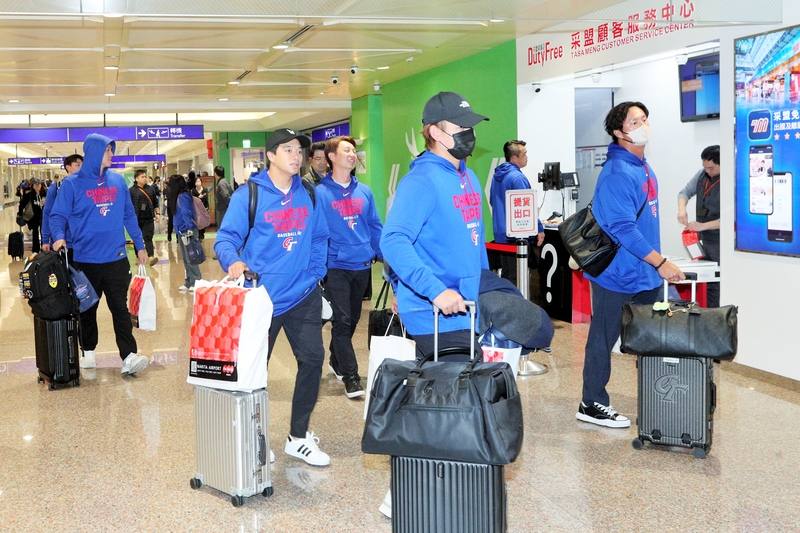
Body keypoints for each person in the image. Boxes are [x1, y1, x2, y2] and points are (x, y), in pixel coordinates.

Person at [215, 128, 331, 467]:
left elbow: (320, 237)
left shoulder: (310, 193)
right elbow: (225, 239)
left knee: (312, 361)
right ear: (270, 155)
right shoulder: (248, 195)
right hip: (260, 298)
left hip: (303, 295)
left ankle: (298, 437)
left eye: (299, 150)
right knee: (254, 373)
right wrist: (234, 261)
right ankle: (253, 438)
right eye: (288, 149)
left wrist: (315, 273)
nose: (296, 156)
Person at [577, 101, 685, 429]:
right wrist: (661, 261)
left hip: (645, 272)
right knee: (604, 336)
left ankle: (660, 397)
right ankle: (591, 402)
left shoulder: (643, 166)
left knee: (659, 335)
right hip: (616, 274)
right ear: (618, 132)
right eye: (635, 121)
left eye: (644, 119)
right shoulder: (617, 172)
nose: (643, 125)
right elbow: (622, 228)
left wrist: (657, 263)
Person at [381, 91, 490, 358]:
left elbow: (474, 241)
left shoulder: (469, 176)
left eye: (470, 126)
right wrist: (435, 290)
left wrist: (486, 289)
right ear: (436, 133)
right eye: (461, 126)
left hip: (469, 310)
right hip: (435, 316)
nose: (469, 132)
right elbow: (393, 240)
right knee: (455, 396)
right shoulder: (421, 181)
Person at [50, 133, 150, 375]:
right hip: (85, 261)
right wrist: (57, 236)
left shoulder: (117, 182)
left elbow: (128, 215)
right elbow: (57, 215)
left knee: (120, 309)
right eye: (107, 151)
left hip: (116, 259)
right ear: (94, 153)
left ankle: (128, 356)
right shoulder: (72, 185)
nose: (111, 155)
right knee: (87, 310)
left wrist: (140, 244)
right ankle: (89, 350)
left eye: (111, 150)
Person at [316, 136, 383, 399]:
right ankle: (352, 377)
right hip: (335, 266)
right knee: (342, 321)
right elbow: (317, 232)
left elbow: (375, 225)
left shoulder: (364, 191)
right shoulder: (320, 193)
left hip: (362, 264)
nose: (352, 154)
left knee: (353, 319)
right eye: (346, 150)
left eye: (354, 151)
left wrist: (382, 254)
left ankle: (335, 360)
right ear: (332, 157)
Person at [489, 139, 546, 284]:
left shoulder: (497, 177)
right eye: (524, 154)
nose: (527, 157)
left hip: (501, 235)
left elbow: (492, 201)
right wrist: (539, 228)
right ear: (514, 158)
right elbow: (528, 210)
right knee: (517, 278)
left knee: (508, 276)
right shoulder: (518, 178)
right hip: (516, 236)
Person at [678, 145, 721, 307]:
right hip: (703, 241)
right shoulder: (702, 175)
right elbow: (684, 193)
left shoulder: (732, 179)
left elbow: (731, 220)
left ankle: (716, 317)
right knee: (704, 281)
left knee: (717, 283)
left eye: (711, 168)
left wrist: (702, 226)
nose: (707, 171)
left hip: (720, 244)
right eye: (705, 167)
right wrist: (682, 209)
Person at [42, 154, 83, 253]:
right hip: (64, 243)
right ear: (68, 167)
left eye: (83, 165)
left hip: (84, 242)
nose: (82, 168)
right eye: (78, 165)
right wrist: (45, 240)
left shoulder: (85, 188)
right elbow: (47, 213)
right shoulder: (56, 188)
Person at [174, 176, 202, 292]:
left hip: (187, 230)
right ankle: (189, 281)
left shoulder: (183, 196)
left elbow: (186, 213)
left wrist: (188, 229)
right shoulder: (178, 196)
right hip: (182, 230)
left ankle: (196, 281)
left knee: (191, 257)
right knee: (186, 258)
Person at [130, 169, 159, 266]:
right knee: (137, 238)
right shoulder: (131, 191)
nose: (145, 178)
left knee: (148, 237)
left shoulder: (150, 189)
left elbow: (155, 202)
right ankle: (138, 257)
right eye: (142, 177)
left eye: (145, 176)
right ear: (136, 178)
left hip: (149, 218)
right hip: (136, 219)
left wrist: (157, 213)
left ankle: (151, 256)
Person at [17, 178, 46, 253]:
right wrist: (20, 214)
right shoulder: (29, 195)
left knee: (43, 233)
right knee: (35, 233)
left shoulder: (44, 194)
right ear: (33, 186)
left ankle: (43, 247)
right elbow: (21, 205)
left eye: (39, 185)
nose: (38, 186)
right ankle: (35, 249)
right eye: (36, 185)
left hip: (43, 217)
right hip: (33, 218)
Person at [191, 174, 209, 240]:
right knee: (198, 222)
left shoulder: (205, 190)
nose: (198, 183)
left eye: (199, 181)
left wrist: (207, 207)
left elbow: (206, 199)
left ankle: (202, 233)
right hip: (196, 209)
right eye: (196, 181)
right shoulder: (193, 191)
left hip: (203, 208)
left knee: (203, 222)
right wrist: (199, 197)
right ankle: (199, 234)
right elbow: (193, 200)